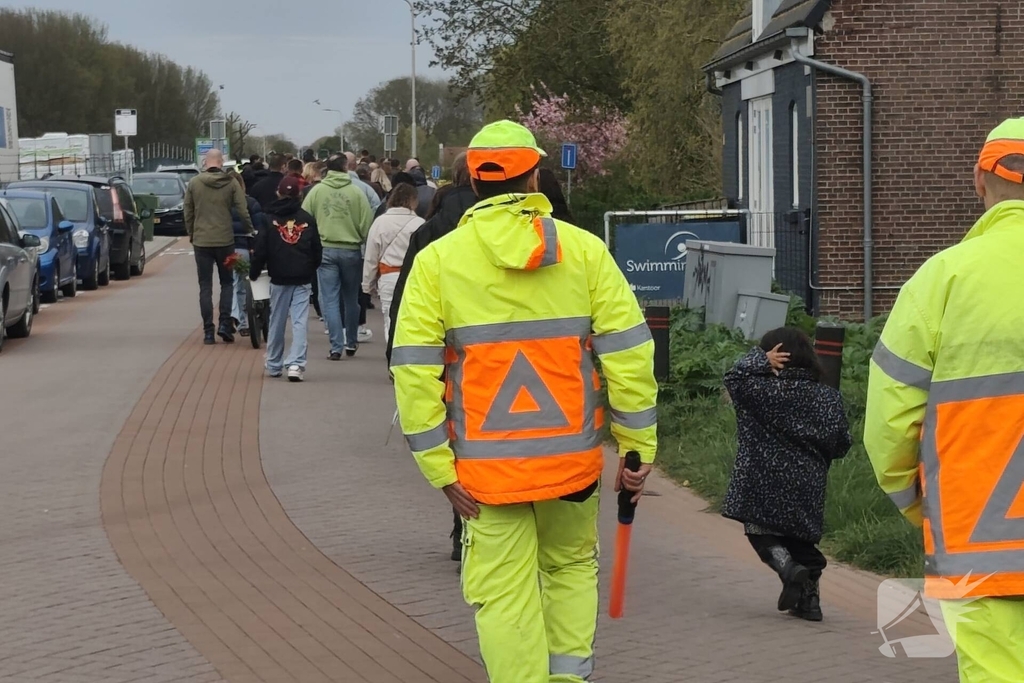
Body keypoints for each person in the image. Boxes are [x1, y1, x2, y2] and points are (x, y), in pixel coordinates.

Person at [392, 121, 658, 683]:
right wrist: (637, 450)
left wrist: (438, 468)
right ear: (535, 174)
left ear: (471, 179)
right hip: (573, 464)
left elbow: (413, 375)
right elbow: (630, 356)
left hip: (485, 473)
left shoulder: (438, 262)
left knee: (503, 595)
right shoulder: (585, 253)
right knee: (568, 571)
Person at [864, 117, 1024, 683]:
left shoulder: (942, 280)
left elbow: (888, 427)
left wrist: (920, 506)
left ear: (980, 183)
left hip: (979, 537)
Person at [722, 328, 851, 621]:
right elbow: (842, 443)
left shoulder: (762, 391)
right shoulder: (828, 397)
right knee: (802, 541)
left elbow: (733, 379)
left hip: (762, 478)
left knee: (760, 530)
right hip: (809, 480)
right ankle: (809, 603)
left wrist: (758, 360)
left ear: (776, 357)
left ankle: (787, 568)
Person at [387, 152, 478, 561]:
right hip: (494, 356)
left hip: (441, 353)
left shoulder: (430, 231)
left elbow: (406, 298)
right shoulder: (512, 230)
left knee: (454, 439)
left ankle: (465, 524)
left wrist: (396, 353)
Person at [249, 176, 322, 382]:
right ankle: (296, 364)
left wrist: (254, 271)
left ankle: (273, 362)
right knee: (300, 321)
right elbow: (316, 249)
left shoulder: (269, 218)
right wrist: (311, 268)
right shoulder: (307, 218)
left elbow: (261, 248)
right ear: (299, 194)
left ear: (278, 193)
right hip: (302, 276)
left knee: (277, 320)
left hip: (279, 275)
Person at [301, 154, 373, 359]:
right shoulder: (356, 192)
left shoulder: (317, 192)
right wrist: (358, 238)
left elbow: (305, 219)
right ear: (345, 168)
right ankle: (351, 341)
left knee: (330, 300)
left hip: (325, 250)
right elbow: (366, 223)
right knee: (351, 298)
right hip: (351, 250)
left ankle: (335, 346)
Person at [184, 149, 254, 345]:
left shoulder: (194, 183)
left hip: (202, 242)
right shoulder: (231, 183)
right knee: (227, 283)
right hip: (225, 240)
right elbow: (242, 209)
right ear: (221, 163)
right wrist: (250, 229)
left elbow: (187, 210)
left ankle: (208, 331)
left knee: (205, 286)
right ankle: (225, 323)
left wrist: (192, 232)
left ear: (205, 163)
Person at [362, 183, 424, 344]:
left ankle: (392, 354)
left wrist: (367, 284)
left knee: (389, 316)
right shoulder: (419, 223)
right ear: (413, 200)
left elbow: (371, 256)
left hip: (388, 275)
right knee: (411, 317)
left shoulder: (380, 222)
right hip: (413, 276)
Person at [227, 170, 266, 337]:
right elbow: (258, 228)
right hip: (245, 247)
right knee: (244, 285)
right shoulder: (251, 203)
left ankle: (232, 316)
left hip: (225, 248)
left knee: (230, 284)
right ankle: (244, 322)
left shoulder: (221, 205)